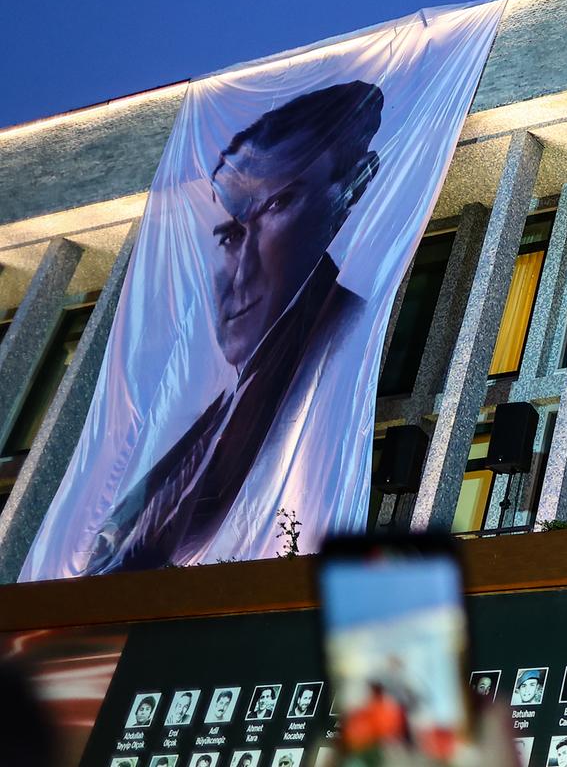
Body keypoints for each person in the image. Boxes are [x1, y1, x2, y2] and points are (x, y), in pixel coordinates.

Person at [80, 81, 385, 575]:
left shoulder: (343, 344)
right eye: (227, 234)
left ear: (352, 188)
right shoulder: (208, 425)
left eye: (277, 205)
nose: (241, 269)